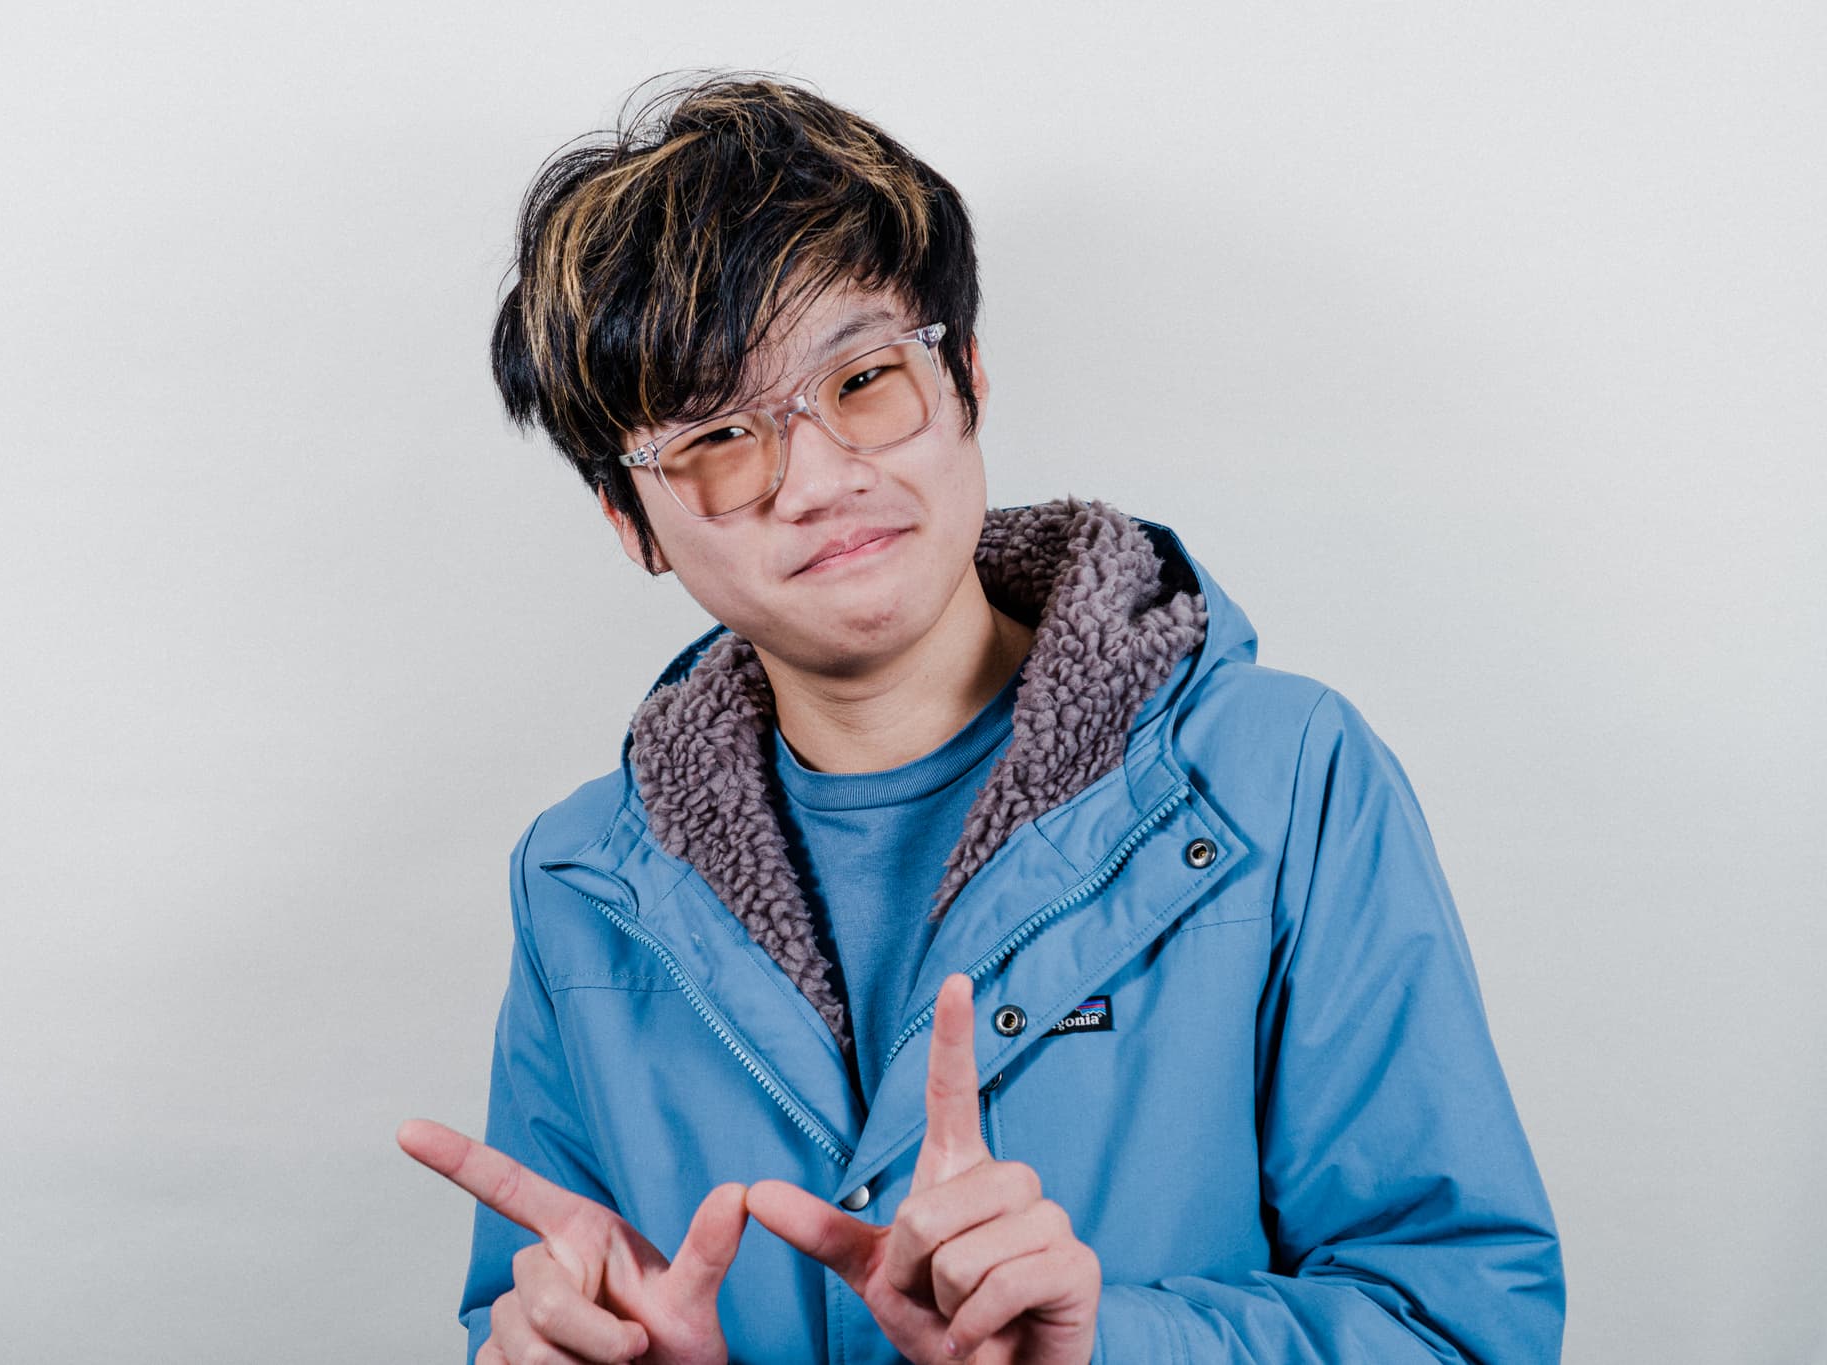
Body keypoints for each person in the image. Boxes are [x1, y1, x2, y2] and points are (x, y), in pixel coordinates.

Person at [398, 72, 1565, 1364]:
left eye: (863, 379)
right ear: (633, 524)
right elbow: (547, 1304)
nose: (821, 478)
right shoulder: (579, 878)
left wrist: (1101, 1346)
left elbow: (1464, 1323)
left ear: (966, 377)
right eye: (721, 434)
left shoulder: (1283, 781)